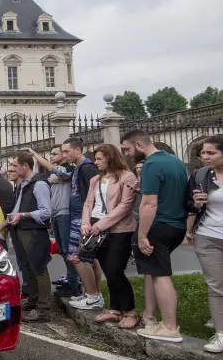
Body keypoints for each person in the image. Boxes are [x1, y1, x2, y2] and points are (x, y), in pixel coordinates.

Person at [122, 129, 188, 343]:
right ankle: (152, 319)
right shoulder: (175, 161)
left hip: (158, 225)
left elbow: (150, 203)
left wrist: (142, 236)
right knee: (156, 272)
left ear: (139, 145)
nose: (128, 154)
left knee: (161, 276)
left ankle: (170, 327)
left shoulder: (150, 164)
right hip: (177, 225)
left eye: (128, 149)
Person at [72, 145, 139, 328]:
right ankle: (115, 309)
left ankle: (130, 311)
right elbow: (88, 203)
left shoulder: (127, 177)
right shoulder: (96, 179)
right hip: (96, 229)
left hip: (119, 230)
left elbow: (125, 206)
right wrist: (86, 224)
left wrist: (100, 225)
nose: (96, 162)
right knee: (108, 270)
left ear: (110, 158)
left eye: (100, 159)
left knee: (115, 270)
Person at [22, 146, 81, 297]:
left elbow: (52, 169)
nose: (51, 156)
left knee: (68, 250)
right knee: (62, 250)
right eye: (51, 153)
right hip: (56, 213)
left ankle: (74, 284)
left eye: (55, 153)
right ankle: (70, 279)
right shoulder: (56, 174)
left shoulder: (68, 170)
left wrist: (35, 153)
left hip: (64, 213)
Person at [1, 151, 52, 322]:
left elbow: (46, 212)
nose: (11, 168)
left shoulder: (39, 184)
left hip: (34, 231)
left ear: (25, 166)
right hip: (20, 230)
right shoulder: (22, 184)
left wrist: (23, 215)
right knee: (27, 267)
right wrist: (8, 221)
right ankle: (33, 300)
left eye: (15, 165)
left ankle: (43, 310)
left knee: (39, 268)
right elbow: (18, 208)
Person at [186, 135, 223, 353]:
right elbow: (188, 203)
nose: (205, 157)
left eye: (211, 153)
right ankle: (220, 334)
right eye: (203, 153)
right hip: (208, 235)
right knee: (216, 285)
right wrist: (196, 203)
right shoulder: (200, 175)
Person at [61, 138, 99, 287]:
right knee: (86, 258)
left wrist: (88, 220)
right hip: (78, 217)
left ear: (78, 150)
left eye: (66, 151)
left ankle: (92, 294)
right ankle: (92, 292)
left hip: (83, 219)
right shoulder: (77, 168)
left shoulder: (87, 168)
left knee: (79, 257)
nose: (64, 155)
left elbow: (93, 197)